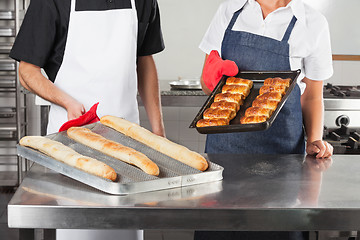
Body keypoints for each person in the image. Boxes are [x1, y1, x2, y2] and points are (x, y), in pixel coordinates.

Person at [10, 0, 165, 239]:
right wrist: (67, 102)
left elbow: (144, 60)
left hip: (129, 147)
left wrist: (158, 131)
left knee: (127, 229)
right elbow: (27, 71)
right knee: (77, 228)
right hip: (71, 145)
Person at [195, 0, 333, 239]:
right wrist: (210, 79)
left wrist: (314, 139)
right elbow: (209, 83)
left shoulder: (313, 22)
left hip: (282, 161)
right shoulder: (231, 10)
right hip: (223, 160)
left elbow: (312, 96)